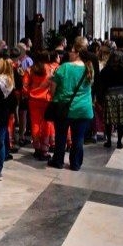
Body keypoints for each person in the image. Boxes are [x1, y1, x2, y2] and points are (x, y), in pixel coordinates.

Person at [48, 37, 94, 171]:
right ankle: (75, 164)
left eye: (72, 51)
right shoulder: (89, 68)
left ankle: (58, 161)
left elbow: (53, 89)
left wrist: (53, 91)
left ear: (78, 53)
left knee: (61, 136)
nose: (70, 53)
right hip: (83, 108)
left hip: (64, 107)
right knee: (78, 138)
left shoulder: (64, 67)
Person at [95, 49, 123, 149]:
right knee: (120, 120)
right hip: (121, 95)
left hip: (109, 96)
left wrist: (99, 98)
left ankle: (108, 141)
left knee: (108, 120)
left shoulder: (106, 70)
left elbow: (100, 83)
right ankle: (119, 142)